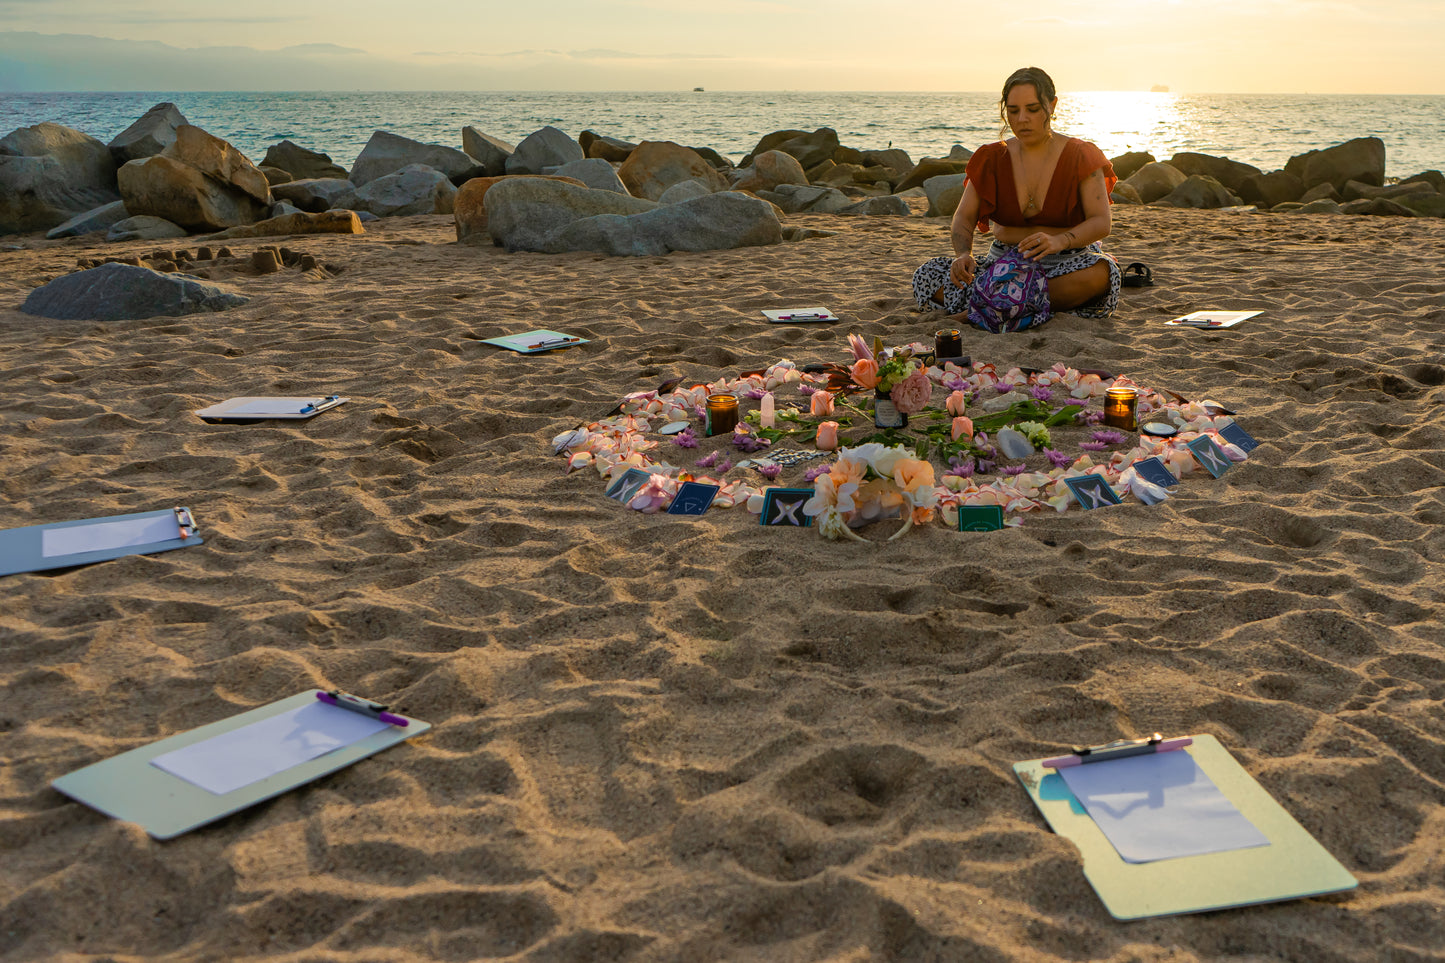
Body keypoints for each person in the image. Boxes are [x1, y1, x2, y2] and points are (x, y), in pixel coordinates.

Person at [913, 67, 1121, 326]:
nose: (1022, 118)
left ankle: (985, 308)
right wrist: (963, 254)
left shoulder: (1082, 155)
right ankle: (1009, 306)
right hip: (1001, 268)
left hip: (1066, 262)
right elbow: (963, 218)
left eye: (1033, 109)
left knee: (1101, 273)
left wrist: (1059, 241)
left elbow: (1101, 222)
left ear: (1052, 105)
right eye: (1013, 111)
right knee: (927, 275)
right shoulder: (991, 158)